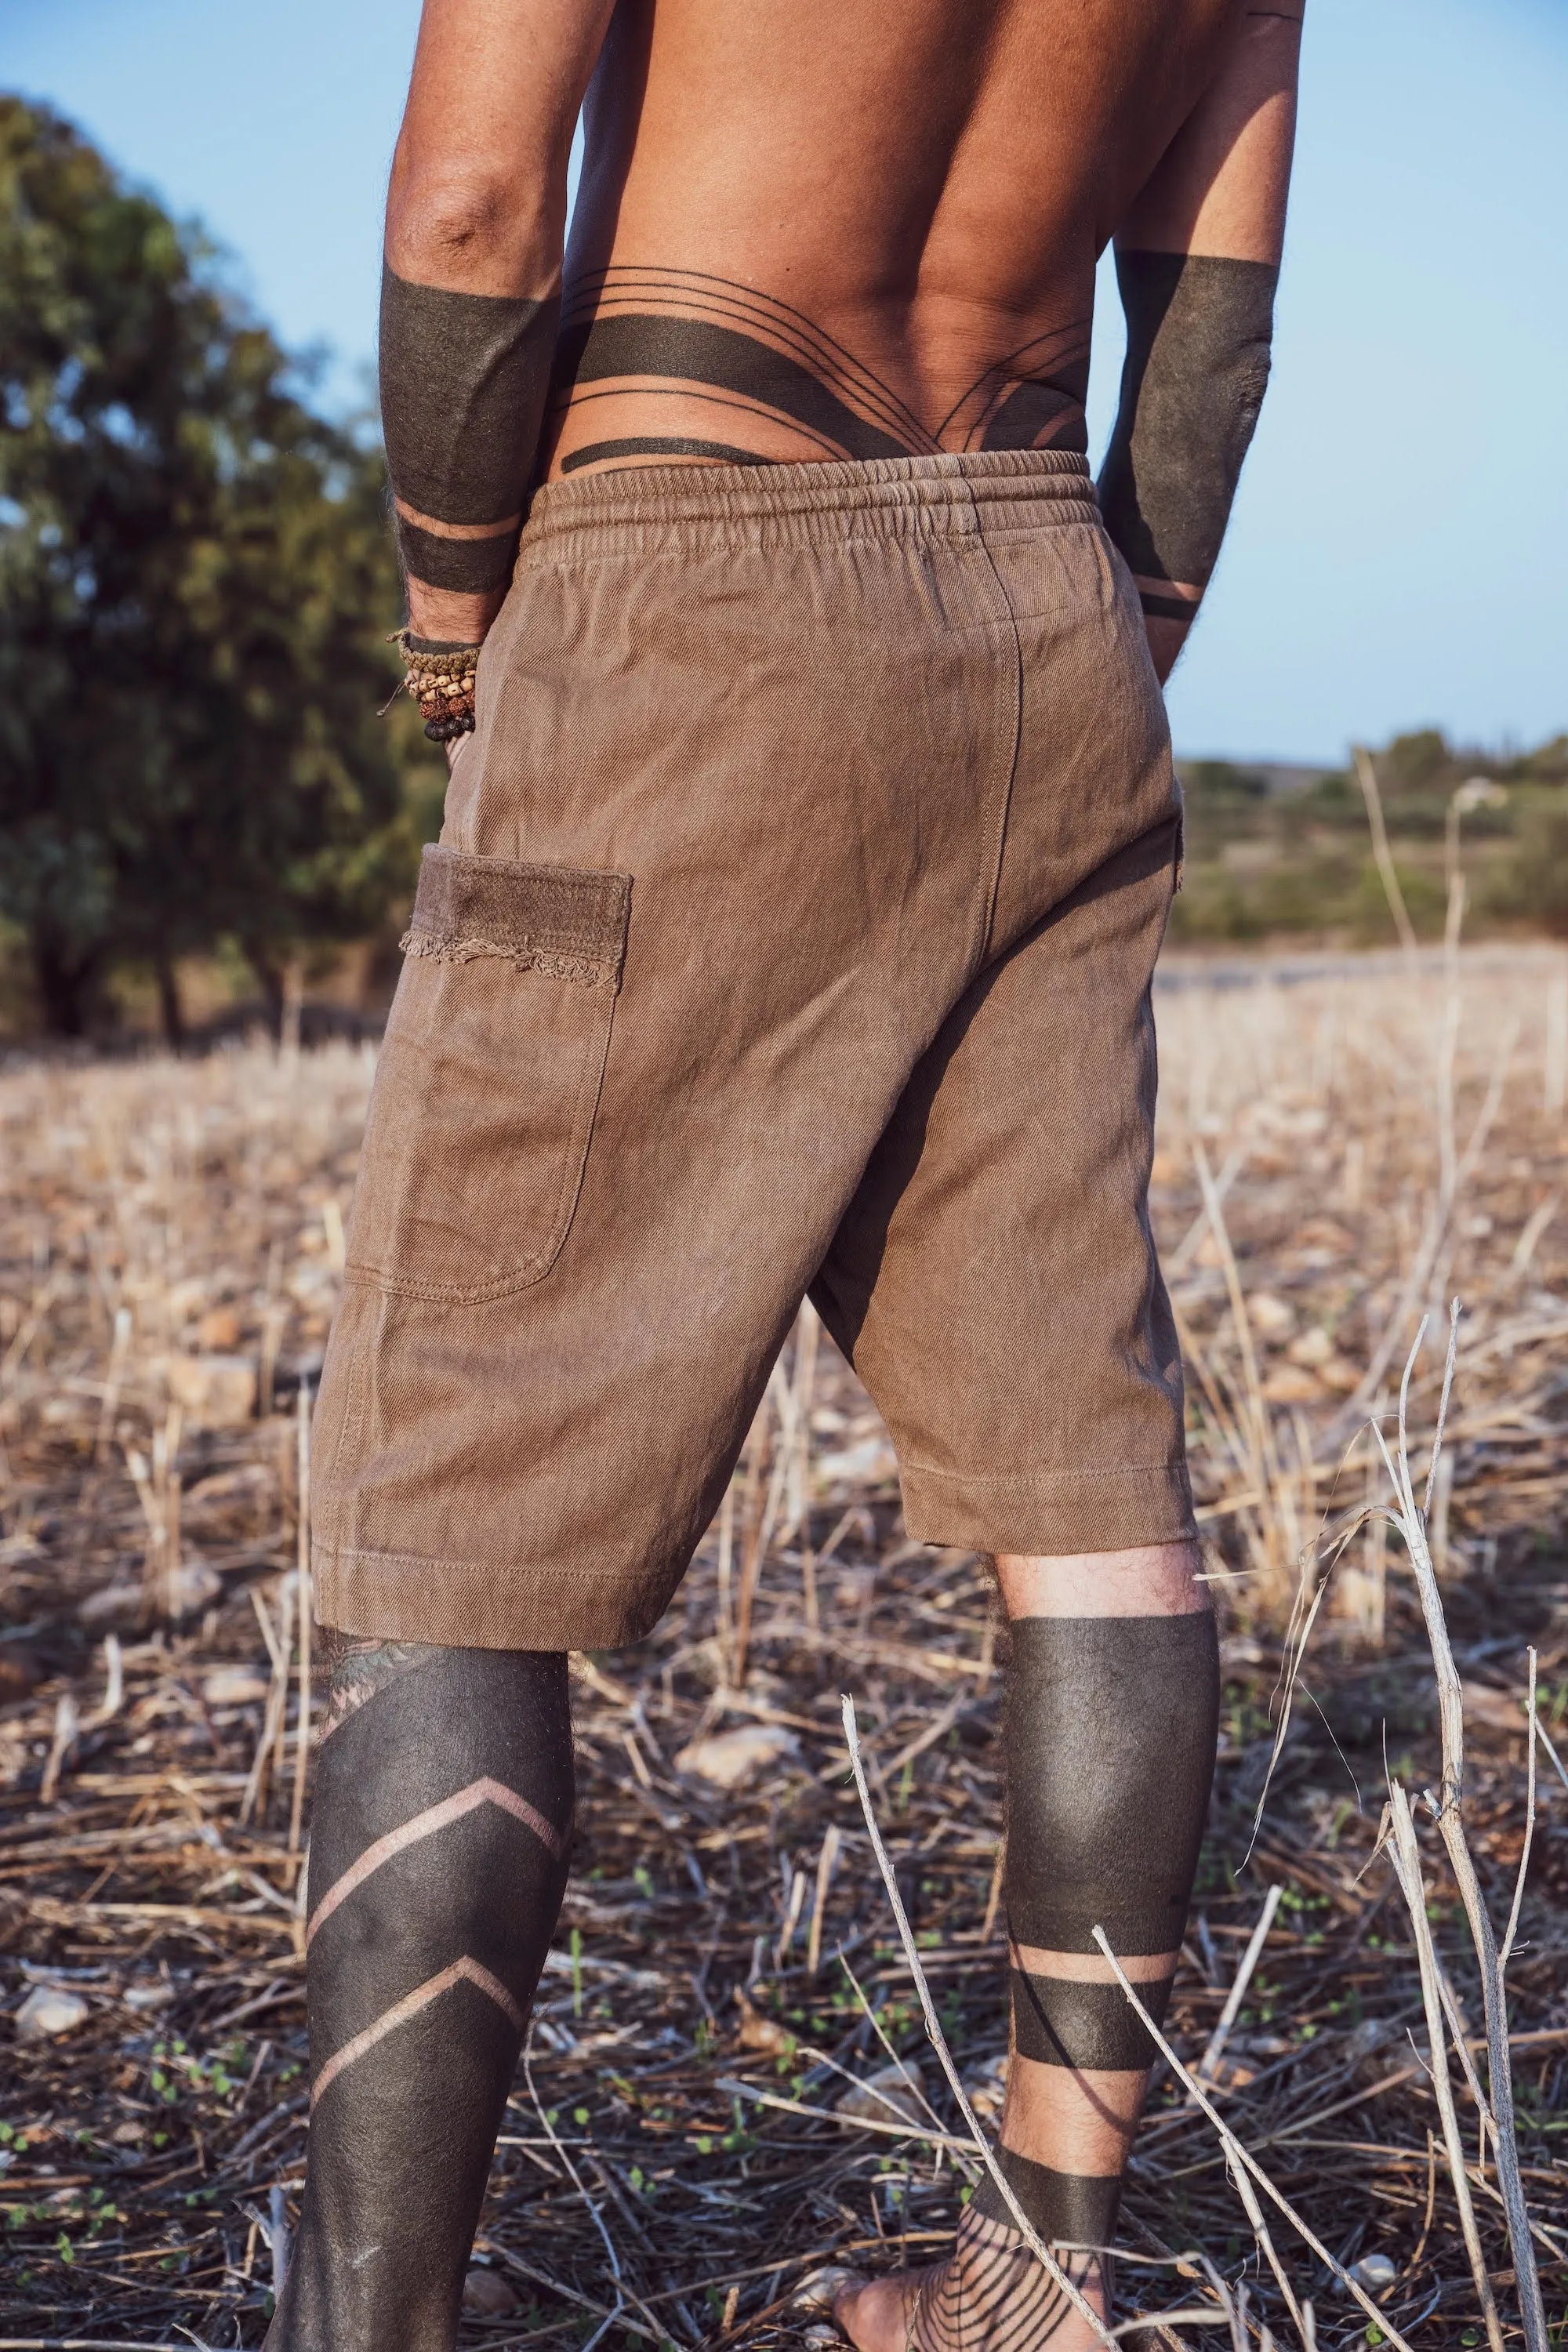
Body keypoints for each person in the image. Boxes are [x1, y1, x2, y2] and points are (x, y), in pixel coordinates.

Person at [269, 2, 1303, 2345]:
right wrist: (1099, 639)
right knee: (1089, 1490)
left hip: (689, 561)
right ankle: (1045, 2284)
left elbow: (468, 200)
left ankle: (371, 2330)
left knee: (460, 1494)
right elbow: (1213, 333)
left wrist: (456, 624)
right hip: (1049, 599)